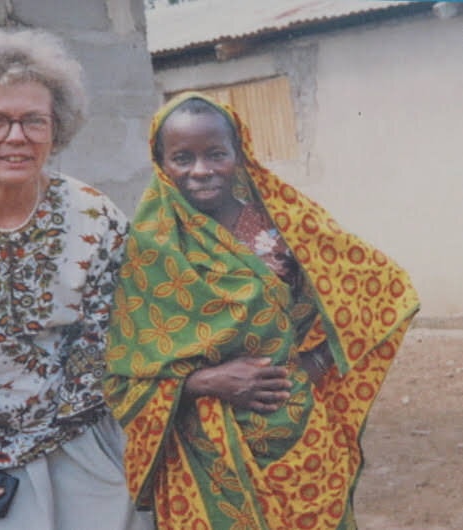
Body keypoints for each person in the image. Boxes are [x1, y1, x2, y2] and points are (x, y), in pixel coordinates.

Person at [104, 92, 420, 529]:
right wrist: (202, 381)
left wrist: (316, 360)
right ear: (161, 163)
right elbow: (124, 374)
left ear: (239, 152)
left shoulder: (282, 222)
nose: (201, 171)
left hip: (299, 433)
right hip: (206, 454)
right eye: (182, 158)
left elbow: (381, 290)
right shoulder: (150, 249)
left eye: (216, 154)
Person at [0, 27, 152, 530]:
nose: (16, 138)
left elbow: (143, 324)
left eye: (34, 120)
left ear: (55, 128)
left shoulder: (92, 213)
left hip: (91, 447)